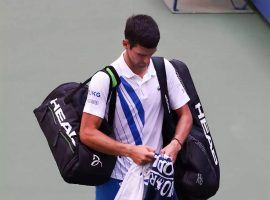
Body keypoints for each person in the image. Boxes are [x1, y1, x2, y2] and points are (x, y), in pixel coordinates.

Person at [80, 14, 193, 200]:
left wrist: (175, 144)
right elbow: (87, 132)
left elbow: (186, 115)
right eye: (141, 54)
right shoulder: (105, 80)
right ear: (125, 44)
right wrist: (130, 151)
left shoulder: (164, 69)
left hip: (159, 179)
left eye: (151, 54)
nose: (147, 61)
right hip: (117, 181)